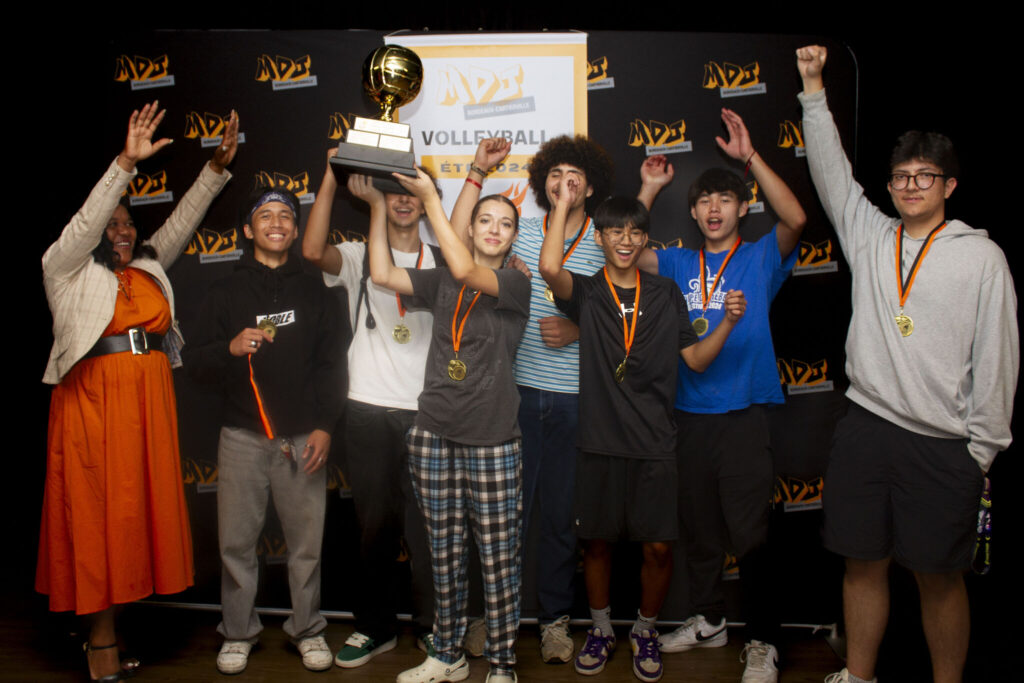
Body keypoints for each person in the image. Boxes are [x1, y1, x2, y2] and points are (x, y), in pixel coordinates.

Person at [795, 46, 1018, 683]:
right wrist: (813, 88)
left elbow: (998, 361)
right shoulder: (871, 235)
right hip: (866, 429)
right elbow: (832, 173)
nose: (911, 186)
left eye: (925, 176)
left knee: (940, 579)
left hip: (944, 446)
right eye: (900, 176)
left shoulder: (982, 259)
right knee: (861, 565)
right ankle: (858, 676)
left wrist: (980, 454)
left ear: (949, 186)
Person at [37, 101, 236, 682]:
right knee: (96, 517)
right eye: (113, 224)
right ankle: (100, 640)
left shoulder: (147, 267)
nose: (122, 231)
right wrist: (125, 164)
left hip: (148, 406)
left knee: (129, 519)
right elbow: (86, 223)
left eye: (129, 225)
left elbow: (180, 224)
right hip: (92, 406)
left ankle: (108, 627)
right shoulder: (66, 269)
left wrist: (215, 170)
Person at [301, 138, 511, 668]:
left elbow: (456, 225)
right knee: (374, 526)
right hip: (368, 406)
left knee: (432, 531)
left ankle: (435, 629)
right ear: (379, 197)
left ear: (424, 201)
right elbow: (312, 251)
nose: (402, 199)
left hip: (430, 411)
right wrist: (331, 174)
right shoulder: (358, 253)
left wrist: (477, 171)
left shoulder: (444, 260)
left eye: (412, 192)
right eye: (391, 192)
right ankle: (374, 627)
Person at [540, 180, 747, 683]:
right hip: (599, 442)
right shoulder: (588, 291)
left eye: (635, 232)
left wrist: (726, 323)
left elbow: (695, 360)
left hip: (655, 443)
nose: (626, 240)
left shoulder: (666, 292)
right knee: (597, 545)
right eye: (615, 231)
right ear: (600, 238)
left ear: (645, 239)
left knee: (657, 548)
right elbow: (548, 269)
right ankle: (602, 629)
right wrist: (563, 202)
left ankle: (646, 630)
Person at [636, 109, 806, 683]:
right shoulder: (678, 261)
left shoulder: (760, 257)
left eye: (725, 199)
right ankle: (709, 619)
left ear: (742, 207)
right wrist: (649, 188)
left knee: (751, 535)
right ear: (692, 212)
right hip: (688, 416)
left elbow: (796, 218)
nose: (713, 208)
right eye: (704, 201)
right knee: (700, 530)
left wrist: (750, 157)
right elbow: (625, 251)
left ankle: (762, 641)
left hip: (743, 417)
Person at [450, 135, 613, 665]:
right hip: (514, 395)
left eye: (574, 174)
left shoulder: (604, 240)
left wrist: (579, 331)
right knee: (500, 516)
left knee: (561, 517)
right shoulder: (517, 237)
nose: (564, 182)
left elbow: (625, 316)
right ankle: (487, 616)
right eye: (554, 173)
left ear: (589, 185)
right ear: (543, 182)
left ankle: (554, 622)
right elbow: (468, 264)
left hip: (574, 400)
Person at [365, 169, 530, 683]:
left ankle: (502, 664)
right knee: (443, 555)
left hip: (492, 439)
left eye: (505, 224)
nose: (494, 229)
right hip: (433, 433)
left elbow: (462, 265)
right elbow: (382, 274)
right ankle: (448, 653)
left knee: (498, 560)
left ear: (513, 237)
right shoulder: (442, 281)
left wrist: (430, 200)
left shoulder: (515, 282)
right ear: (472, 227)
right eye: (485, 220)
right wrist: (376, 205)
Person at [185, 186, 343, 674]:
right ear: (248, 230)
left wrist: (325, 426)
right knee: (236, 545)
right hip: (242, 438)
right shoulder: (224, 291)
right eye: (265, 215)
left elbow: (333, 365)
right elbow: (193, 363)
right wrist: (228, 349)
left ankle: (308, 629)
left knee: (306, 548)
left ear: (296, 231)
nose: (277, 223)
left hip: (303, 439)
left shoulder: (316, 290)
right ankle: (237, 632)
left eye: (286, 216)